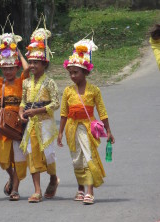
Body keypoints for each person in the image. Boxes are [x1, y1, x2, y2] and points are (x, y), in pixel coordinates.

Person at [57, 39, 115, 204]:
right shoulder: (68, 91)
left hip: (88, 129)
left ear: (85, 72)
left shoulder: (94, 90)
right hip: (71, 128)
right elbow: (63, 113)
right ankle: (80, 188)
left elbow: (102, 112)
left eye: (76, 72)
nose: (73, 76)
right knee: (77, 159)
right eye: (71, 73)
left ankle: (90, 190)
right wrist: (60, 132)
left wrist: (109, 130)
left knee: (88, 156)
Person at [0, 30, 29, 201]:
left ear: (16, 68)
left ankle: (15, 189)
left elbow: (27, 70)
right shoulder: (0, 83)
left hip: (18, 122)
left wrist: (18, 53)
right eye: (5, 68)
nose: (8, 71)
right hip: (3, 125)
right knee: (3, 160)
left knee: (18, 157)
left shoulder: (20, 81)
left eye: (11, 68)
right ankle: (11, 177)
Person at [19, 25, 60, 203]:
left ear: (45, 64)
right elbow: (22, 101)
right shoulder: (26, 83)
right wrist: (22, 111)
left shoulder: (50, 82)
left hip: (46, 124)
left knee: (48, 155)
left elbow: (56, 103)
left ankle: (53, 177)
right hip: (32, 125)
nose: (33, 66)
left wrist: (38, 110)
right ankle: (37, 190)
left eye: (36, 62)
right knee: (32, 154)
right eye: (31, 62)